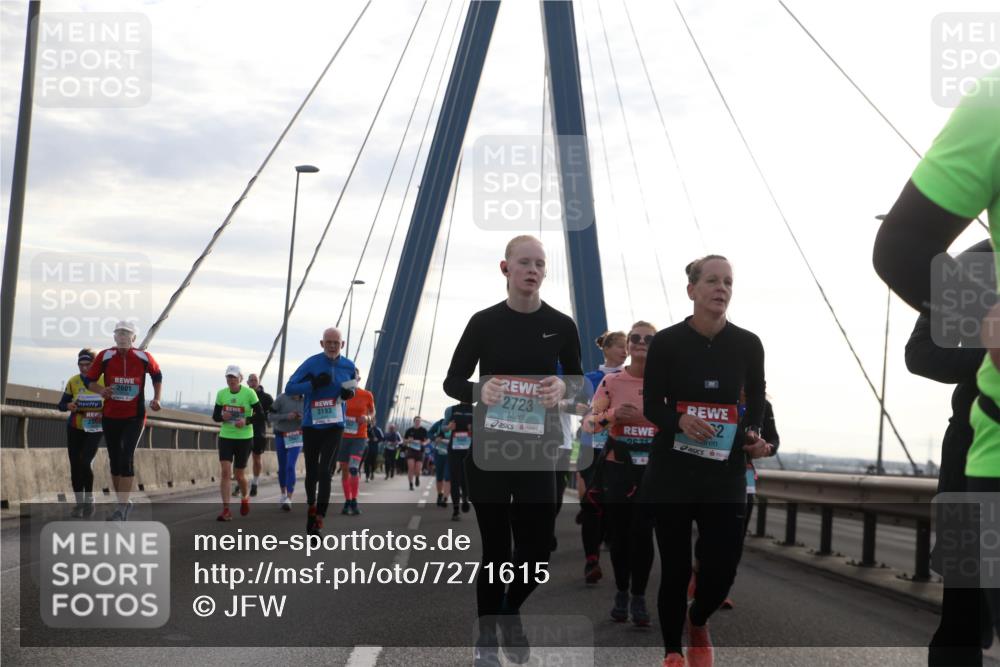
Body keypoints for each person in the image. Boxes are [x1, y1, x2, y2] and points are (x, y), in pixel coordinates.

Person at [443, 235, 583, 667]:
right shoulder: (484, 322)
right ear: (506, 268)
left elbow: (579, 388)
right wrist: (478, 391)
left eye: (540, 264)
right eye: (525, 262)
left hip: (539, 453)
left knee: (539, 551)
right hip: (490, 453)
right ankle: (487, 639)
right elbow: (452, 383)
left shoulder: (562, 326)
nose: (533, 270)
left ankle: (509, 611)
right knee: (497, 552)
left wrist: (564, 387)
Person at [640, 256, 769, 667]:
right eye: (712, 280)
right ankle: (673, 651)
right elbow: (651, 406)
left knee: (722, 570)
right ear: (692, 289)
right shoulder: (668, 342)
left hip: (725, 473)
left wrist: (752, 433)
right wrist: (678, 419)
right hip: (673, 472)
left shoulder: (748, 343)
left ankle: (698, 618)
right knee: (676, 569)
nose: (722, 288)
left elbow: (758, 398)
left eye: (728, 282)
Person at [588, 322, 658, 627]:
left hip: (653, 470)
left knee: (643, 536)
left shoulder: (667, 383)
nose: (642, 342)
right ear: (628, 345)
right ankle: (621, 590)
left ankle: (639, 596)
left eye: (649, 338)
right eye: (635, 338)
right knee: (620, 536)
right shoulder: (612, 382)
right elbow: (590, 424)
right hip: (618, 468)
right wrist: (614, 415)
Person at [84, 320, 163, 522]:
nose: (122, 337)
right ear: (114, 337)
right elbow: (89, 380)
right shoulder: (105, 356)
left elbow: (157, 375)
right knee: (115, 459)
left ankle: (120, 509)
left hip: (134, 417)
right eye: (118, 333)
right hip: (110, 415)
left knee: (126, 457)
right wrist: (101, 390)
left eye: (126, 334)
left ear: (134, 338)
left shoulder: (143, 357)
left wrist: (157, 397)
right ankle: (124, 502)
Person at [285, 327, 357, 536]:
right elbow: (290, 388)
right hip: (311, 424)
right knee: (312, 471)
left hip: (335, 425)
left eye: (336, 342)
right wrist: (313, 384)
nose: (332, 346)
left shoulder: (349, 366)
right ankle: (311, 507)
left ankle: (319, 517)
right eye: (328, 342)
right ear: (322, 343)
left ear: (342, 344)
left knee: (325, 471)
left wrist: (348, 393)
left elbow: (351, 390)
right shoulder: (311, 363)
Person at [576, 331, 626, 584]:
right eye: (620, 347)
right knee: (592, 503)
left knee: (610, 504)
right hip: (590, 445)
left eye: (627, 347)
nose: (625, 351)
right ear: (606, 349)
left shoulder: (632, 379)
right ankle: (591, 561)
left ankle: (604, 537)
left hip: (619, 447)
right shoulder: (590, 379)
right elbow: (576, 408)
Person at [57, 348, 105, 518]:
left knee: (85, 462)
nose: (84, 368)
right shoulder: (74, 381)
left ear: (94, 364)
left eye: (87, 364)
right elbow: (61, 405)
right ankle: (79, 503)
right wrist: (68, 406)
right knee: (75, 466)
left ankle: (89, 498)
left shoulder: (103, 380)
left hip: (95, 427)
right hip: (75, 427)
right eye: (81, 365)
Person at [212, 366, 260, 521]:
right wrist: (222, 416)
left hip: (244, 438)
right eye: (228, 377)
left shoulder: (249, 393)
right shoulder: (221, 394)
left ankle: (245, 497)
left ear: (240, 378)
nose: (231, 380)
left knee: (239, 475)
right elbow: (215, 416)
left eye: (233, 377)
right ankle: (226, 510)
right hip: (226, 436)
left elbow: (261, 415)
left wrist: (246, 420)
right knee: (225, 472)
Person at [339, 369, 375, 515]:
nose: (352, 379)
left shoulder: (366, 395)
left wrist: (366, 418)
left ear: (358, 378)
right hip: (342, 437)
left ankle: (354, 501)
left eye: (354, 376)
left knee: (354, 468)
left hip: (359, 437)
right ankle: (347, 500)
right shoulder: (341, 394)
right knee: (345, 471)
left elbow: (373, 412)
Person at [269, 390, 304, 511]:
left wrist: (302, 417)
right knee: (282, 467)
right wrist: (286, 416)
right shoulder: (281, 398)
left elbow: (312, 418)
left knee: (290, 466)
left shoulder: (306, 399)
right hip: (281, 434)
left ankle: (289, 497)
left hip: (296, 435)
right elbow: (270, 416)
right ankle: (283, 494)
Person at [245, 373, 273, 497]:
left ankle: (255, 483)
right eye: (250, 380)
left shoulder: (266, 398)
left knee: (257, 459)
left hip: (258, 432)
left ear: (259, 381)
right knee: (242, 460)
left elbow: (271, 413)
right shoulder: (243, 395)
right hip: (243, 432)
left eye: (255, 380)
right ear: (247, 382)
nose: (253, 382)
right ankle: (240, 483)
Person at [446, 400, 474, 521]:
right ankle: (456, 510)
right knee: (455, 478)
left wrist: (474, 429)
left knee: (467, 477)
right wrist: (448, 427)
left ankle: (466, 497)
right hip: (454, 448)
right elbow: (444, 426)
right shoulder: (451, 409)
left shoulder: (475, 410)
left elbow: (483, 428)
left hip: (470, 449)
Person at [404, 416, 428, 491]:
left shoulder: (423, 430)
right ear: (414, 421)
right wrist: (408, 441)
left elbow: (427, 440)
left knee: (418, 469)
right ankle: (411, 484)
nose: (417, 422)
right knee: (411, 468)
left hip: (420, 451)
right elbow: (404, 440)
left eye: (419, 421)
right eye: (416, 421)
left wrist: (424, 443)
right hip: (411, 450)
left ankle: (417, 477)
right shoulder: (409, 430)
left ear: (420, 422)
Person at [434, 422, 451, 507]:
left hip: (451, 456)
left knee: (448, 477)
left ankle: (445, 498)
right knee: (439, 477)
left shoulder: (457, 427)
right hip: (439, 454)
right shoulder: (440, 426)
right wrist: (436, 439)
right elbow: (434, 436)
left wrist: (442, 440)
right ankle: (440, 495)